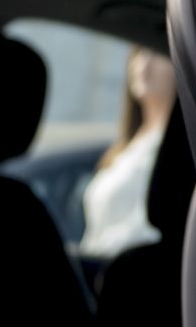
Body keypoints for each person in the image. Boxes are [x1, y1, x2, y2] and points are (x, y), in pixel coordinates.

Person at [79, 47, 176, 260]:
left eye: (157, 53)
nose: (145, 63)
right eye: (139, 53)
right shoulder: (125, 147)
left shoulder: (175, 152)